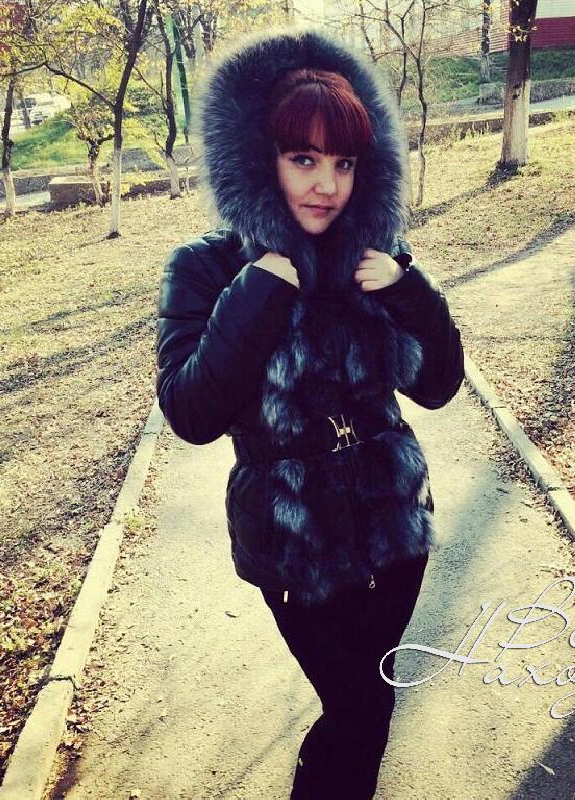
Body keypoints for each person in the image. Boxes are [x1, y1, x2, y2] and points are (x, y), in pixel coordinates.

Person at [156, 27, 465, 800]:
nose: (328, 184)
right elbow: (191, 412)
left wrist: (410, 293)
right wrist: (259, 290)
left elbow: (437, 387)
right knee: (353, 705)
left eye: (345, 162)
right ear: (260, 159)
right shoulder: (206, 269)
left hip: (396, 526)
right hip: (293, 542)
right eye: (304, 159)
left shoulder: (375, 257)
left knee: (372, 702)